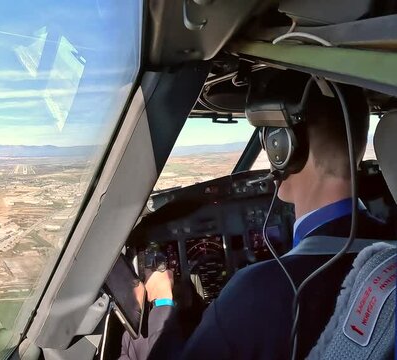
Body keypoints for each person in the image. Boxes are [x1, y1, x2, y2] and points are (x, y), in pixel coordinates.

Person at [119, 75, 394, 360]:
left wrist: (163, 302)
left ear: (284, 149)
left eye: (268, 137)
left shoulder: (260, 290)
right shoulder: (390, 255)